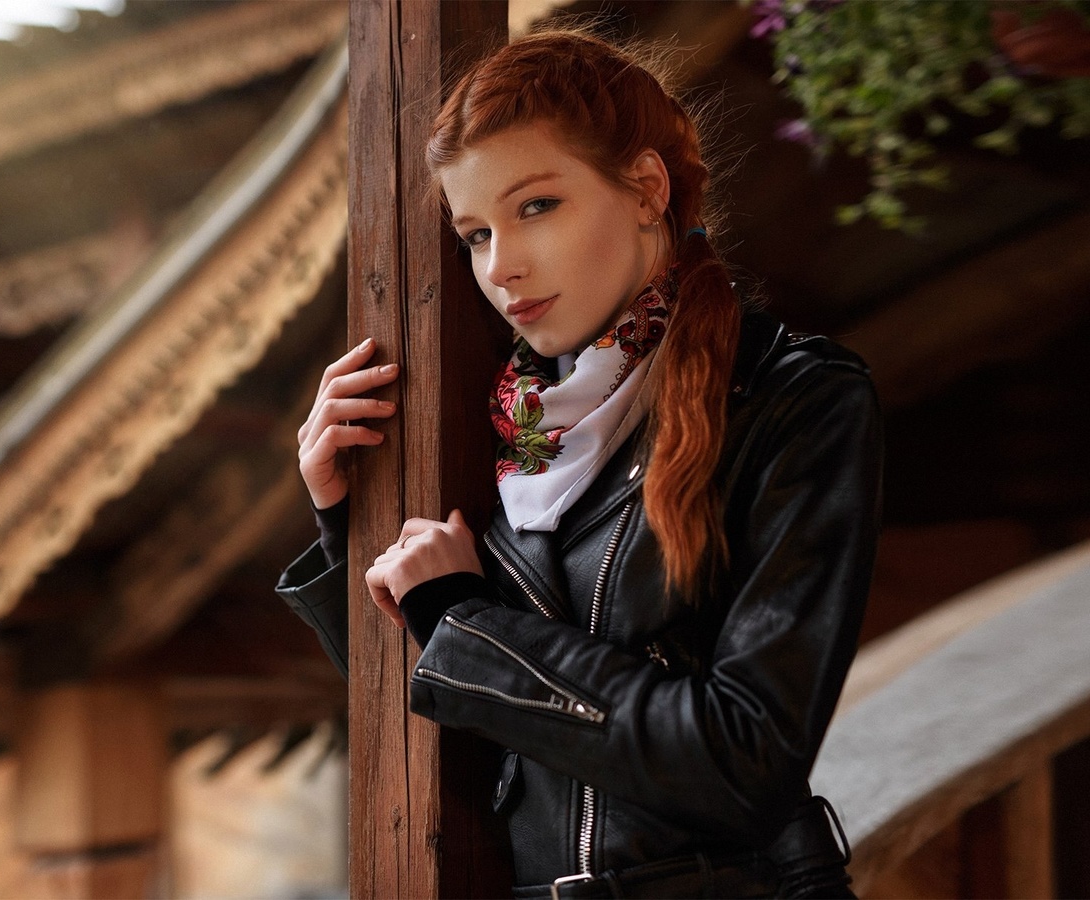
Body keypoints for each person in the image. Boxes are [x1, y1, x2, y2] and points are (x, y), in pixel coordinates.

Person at [277, 28, 881, 900]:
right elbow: (464, 744)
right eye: (475, 233)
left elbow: (744, 762)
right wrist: (351, 518)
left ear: (645, 188)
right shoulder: (498, 437)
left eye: (536, 207)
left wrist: (464, 617)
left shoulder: (790, 400)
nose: (502, 266)